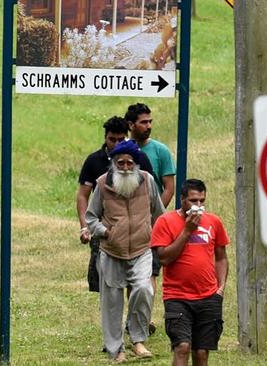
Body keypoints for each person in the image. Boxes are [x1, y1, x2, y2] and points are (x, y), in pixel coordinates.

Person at [86, 140, 165, 362]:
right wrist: (104, 231)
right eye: (120, 163)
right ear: (113, 163)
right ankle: (115, 349)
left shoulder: (147, 181)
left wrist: (159, 237)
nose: (126, 167)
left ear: (136, 164)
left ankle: (138, 340)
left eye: (130, 163)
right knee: (112, 302)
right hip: (111, 250)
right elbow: (91, 217)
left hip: (142, 249)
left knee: (143, 290)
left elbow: (159, 212)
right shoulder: (102, 184)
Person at [151, 179, 229, 366]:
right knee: (182, 347)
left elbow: (221, 257)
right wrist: (187, 230)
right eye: (193, 201)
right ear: (182, 199)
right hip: (177, 297)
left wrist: (220, 289)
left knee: (201, 352)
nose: (198, 206)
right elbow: (164, 258)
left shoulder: (214, 222)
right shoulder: (165, 221)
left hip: (208, 296)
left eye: (202, 201)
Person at [76, 116, 154, 293]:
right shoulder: (94, 161)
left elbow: (152, 194)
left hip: (139, 234)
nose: (117, 144)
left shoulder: (140, 159)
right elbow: (83, 195)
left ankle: (134, 321)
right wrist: (85, 227)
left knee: (139, 284)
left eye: (121, 139)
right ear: (105, 137)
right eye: (112, 139)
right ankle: (111, 320)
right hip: (106, 232)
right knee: (106, 285)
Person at [125, 102, 176, 334]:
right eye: (143, 122)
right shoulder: (123, 151)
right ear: (131, 125)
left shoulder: (160, 151)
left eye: (150, 121)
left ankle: (143, 319)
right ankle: (132, 317)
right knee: (127, 275)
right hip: (125, 224)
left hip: (152, 225)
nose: (148, 126)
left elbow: (168, 187)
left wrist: (157, 216)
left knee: (150, 273)